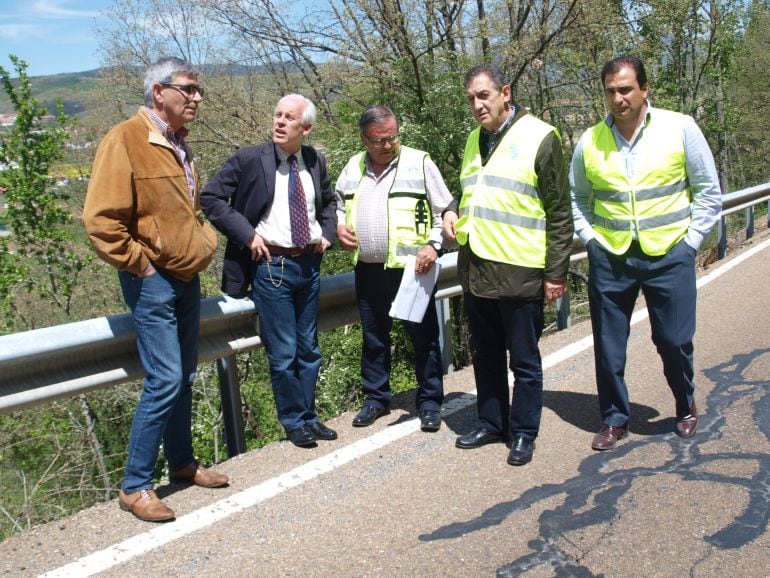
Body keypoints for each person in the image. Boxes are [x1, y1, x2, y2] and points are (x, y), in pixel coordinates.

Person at [82, 57, 229, 523]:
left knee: (184, 374)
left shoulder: (177, 143)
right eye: (188, 89)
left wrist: (202, 242)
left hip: (186, 276)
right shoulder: (125, 138)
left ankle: (182, 463)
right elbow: (100, 220)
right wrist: (142, 267)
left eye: (197, 90)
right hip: (153, 281)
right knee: (165, 378)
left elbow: (186, 211)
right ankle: (135, 485)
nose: (197, 98)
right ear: (159, 91)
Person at [570, 56, 722, 451]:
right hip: (612, 258)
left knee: (673, 340)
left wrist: (690, 243)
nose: (618, 98)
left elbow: (708, 191)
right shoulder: (590, 140)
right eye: (610, 91)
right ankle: (615, 418)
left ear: (644, 89)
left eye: (625, 89)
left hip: (670, 253)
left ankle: (685, 404)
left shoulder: (680, 128)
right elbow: (577, 198)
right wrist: (591, 240)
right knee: (608, 345)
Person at [443, 64, 573, 466]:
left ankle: (523, 432)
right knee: (485, 356)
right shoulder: (473, 140)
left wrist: (556, 273)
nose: (477, 105)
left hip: (521, 271)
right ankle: (491, 422)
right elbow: (471, 192)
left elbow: (559, 212)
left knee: (524, 360)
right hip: (478, 268)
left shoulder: (540, 137)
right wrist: (450, 210)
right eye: (471, 99)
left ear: (506, 93)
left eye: (483, 95)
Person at [201, 94, 337, 448]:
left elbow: (329, 203)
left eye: (289, 118)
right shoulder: (250, 159)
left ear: (305, 128)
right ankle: (293, 420)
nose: (279, 122)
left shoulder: (314, 160)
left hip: (308, 264)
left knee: (310, 349)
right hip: (272, 267)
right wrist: (247, 235)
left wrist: (328, 234)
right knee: (286, 350)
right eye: (277, 114)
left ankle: (309, 417)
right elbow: (211, 198)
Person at [335, 105, 453, 432]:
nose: (388, 145)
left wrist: (434, 245)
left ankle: (429, 402)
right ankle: (376, 399)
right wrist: (339, 226)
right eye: (379, 140)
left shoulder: (419, 162)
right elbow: (339, 203)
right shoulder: (354, 166)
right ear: (364, 139)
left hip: (413, 270)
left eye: (393, 137)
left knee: (423, 338)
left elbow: (446, 208)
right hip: (369, 269)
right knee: (374, 337)